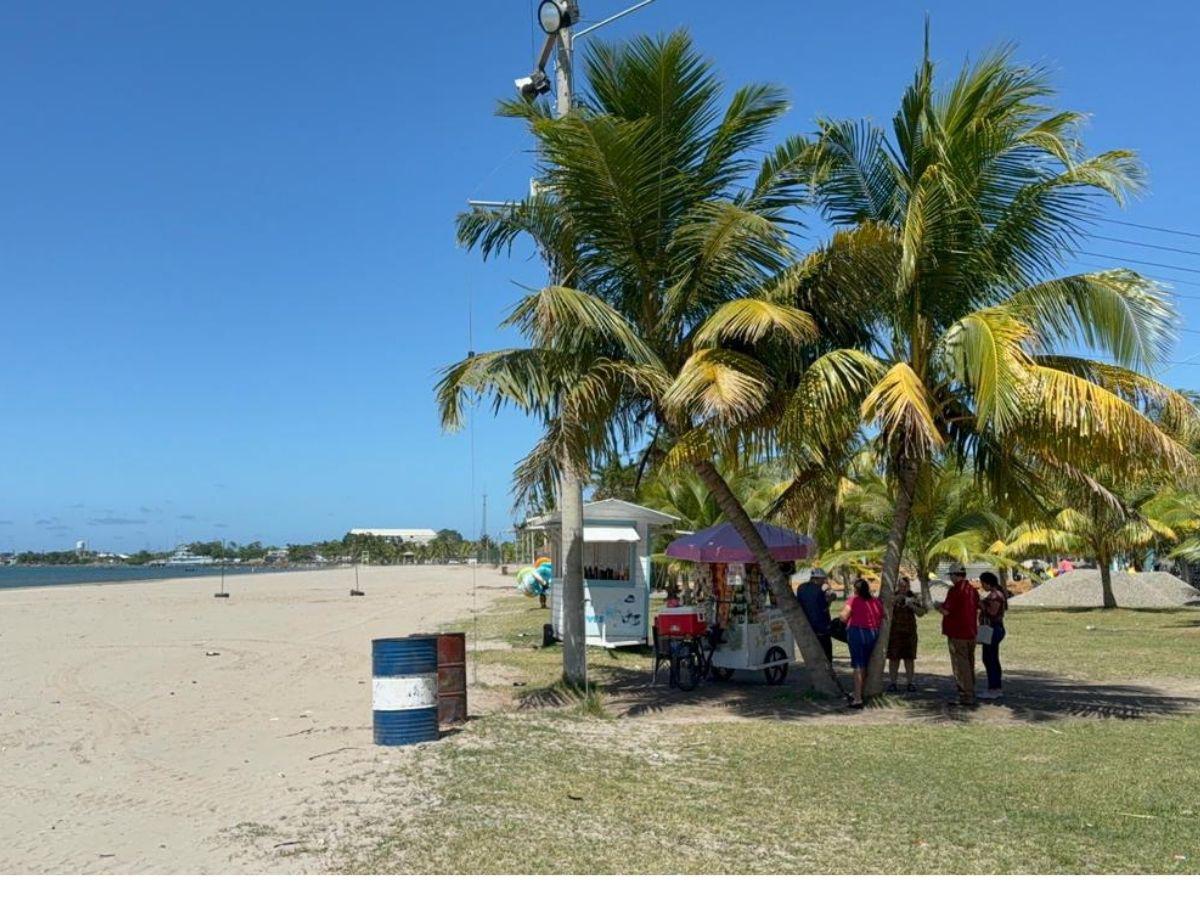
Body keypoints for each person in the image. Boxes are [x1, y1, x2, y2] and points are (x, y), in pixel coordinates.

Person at [937, 565, 980, 706]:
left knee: (960, 665)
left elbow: (946, 611)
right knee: (969, 662)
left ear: (956, 575)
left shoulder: (955, 590)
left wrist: (937, 606)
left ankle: (966, 694)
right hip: (971, 632)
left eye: (951, 575)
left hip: (957, 632)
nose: (950, 578)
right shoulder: (972, 590)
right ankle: (970, 690)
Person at [840, 578, 884, 709]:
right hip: (872, 633)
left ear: (856, 589)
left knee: (858, 665)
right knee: (864, 664)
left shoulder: (853, 600)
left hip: (857, 633)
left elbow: (843, 616)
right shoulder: (876, 601)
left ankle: (857, 698)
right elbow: (881, 616)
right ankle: (859, 691)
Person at [886, 576, 926, 692]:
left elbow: (921, 613)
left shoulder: (914, 596)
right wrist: (895, 600)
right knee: (894, 659)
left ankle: (910, 682)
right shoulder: (893, 596)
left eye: (905, 586)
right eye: (901, 586)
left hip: (909, 632)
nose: (903, 588)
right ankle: (893, 683)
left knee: (909, 659)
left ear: (909, 586)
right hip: (895, 633)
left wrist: (911, 605)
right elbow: (885, 608)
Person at [978, 571, 1009, 700]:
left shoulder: (996, 596)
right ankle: (995, 686)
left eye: (982, 583)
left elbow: (992, 612)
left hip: (993, 629)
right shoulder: (995, 594)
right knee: (990, 658)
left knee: (990, 659)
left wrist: (982, 605)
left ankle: (994, 688)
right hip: (992, 629)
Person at [796, 568, 834, 661]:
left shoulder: (801, 588)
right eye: (823, 579)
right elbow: (826, 604)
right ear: (817, 579)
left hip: (807, 624)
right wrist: (829, 594)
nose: (824, 581)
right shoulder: (819, 590)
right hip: (821, 626)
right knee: (826, 652)